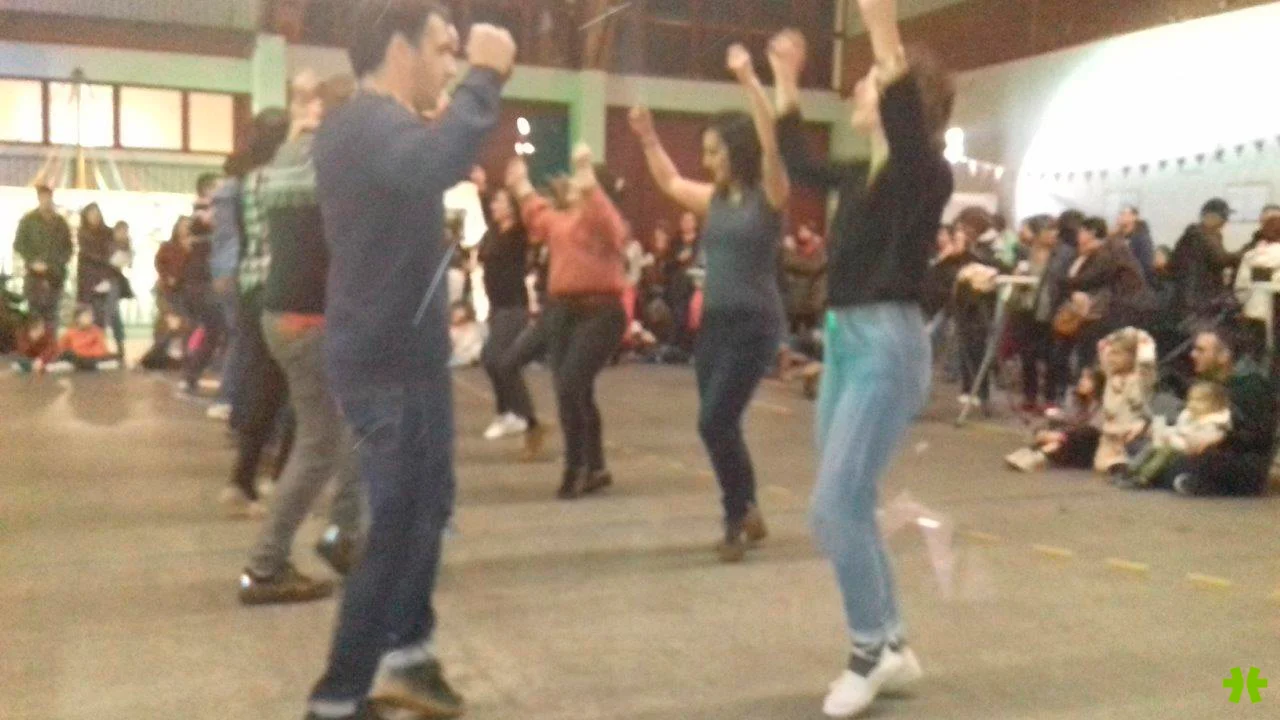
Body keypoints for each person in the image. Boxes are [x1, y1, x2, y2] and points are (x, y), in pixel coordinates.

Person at [308, 3, 514, 717]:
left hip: (406, 356)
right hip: (388, 363)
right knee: (397, 528)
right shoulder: (369, 124)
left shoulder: (375, 126)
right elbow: (437, 161)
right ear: (401, 49)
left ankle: (408, 656)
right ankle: (337, 699)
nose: (451, 62)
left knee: (426, 508)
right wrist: (486, 77)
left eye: (459, 52)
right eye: (443, 48)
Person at [770, 0, 955, 711]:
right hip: (847, 341)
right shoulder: (858, 175)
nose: (856, 88)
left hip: (887, 344)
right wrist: (784, 80)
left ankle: (870, 648)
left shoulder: (925, 173)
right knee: (847, 501)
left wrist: (882, 29)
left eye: (870, 81)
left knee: (833, 506)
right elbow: (796, 162)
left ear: (905, 101)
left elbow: (906, 126)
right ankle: (892, 642)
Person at [629, 40, 789, 561]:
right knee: (721, 423)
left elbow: (771, 142)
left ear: (738, 151)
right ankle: (748, 507)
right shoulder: (715, 200)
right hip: (715, 324)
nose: (707, 160)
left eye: (716, 151)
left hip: (755, 325)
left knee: (713, 421)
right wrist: (648, 137)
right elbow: (671, 180)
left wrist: (749, 81)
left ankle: (735, 516)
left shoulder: (770, 195)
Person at [237, 74, 365, 607]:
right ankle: (266, 567)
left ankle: (344, 535)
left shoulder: (288, 156)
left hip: (284, 314)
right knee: (319, 444)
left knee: (351, 429)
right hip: (312, 319)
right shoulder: (338, 159)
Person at [507, 142, 628, 500]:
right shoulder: (563, 221)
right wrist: (520, 184)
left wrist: (587, 174)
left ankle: (575, 468)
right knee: (575, 391)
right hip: (565, 311)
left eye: (580, 184)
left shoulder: (606, 224)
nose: (572, 185)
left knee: (571, 384)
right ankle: (595, 467)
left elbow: (607, 221)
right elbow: (536, 213)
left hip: (602, 312)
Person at [220, 106, 293, 518]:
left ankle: (243, 478)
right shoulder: (285, 178)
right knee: (301, 389)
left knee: (265, 384)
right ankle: (281, 482)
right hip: (284, 288)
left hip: (251, 288)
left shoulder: (246, 181)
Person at [1152, 329, 1277, 497]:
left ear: (1224, 356)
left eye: (1201, 350)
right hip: (1205, 449)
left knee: (1190, 463)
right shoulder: (1209, 381)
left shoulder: (1251, 386)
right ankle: (1180, 478)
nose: (1193, 355)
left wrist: (1222, 436)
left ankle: (1185, 479)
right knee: (1158, 448)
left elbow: (1260, 436)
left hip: (1241, 460)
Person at [477, 187, 545, 459]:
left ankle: (524, 417)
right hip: (496, 307)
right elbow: (486, 211)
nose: (494, 206)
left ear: (512, 207)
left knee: (497, 359)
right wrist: (482, 190)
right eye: (493, 202)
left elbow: (530, 215)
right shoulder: (493, 233)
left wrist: (521, 188)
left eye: (499, 202)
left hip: (513, 306)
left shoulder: (518, 234)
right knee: (493, 360)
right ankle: (509, 414)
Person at [1053, 217, 1153, 380]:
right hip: (1131, 306)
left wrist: (1062, 282)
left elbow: (1093, 277)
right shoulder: (1114, 247)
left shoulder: (1111, 249)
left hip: (1126, 308)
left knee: (1094, 347)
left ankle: (1088, 383)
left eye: (1082, 232)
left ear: (1092, 233)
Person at [1122, 380, 1230, 487]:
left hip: (1193, 450)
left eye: (1199, 401)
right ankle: (1132, 469)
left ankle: (1144, 477)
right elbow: (1178, 429)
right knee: (1154, 444)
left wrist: (1174, 438)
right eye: (1191, 400)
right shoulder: (1189, 415)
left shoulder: (1215, 422)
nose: (1192, 404)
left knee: (1165, 451)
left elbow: (1200, 440)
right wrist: (1165, 432)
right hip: (1179, 441)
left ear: (1215, 404)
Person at [1008, 215, 1064, 411]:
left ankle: (1050, 398)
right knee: (1027, 355)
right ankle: (1030, 396)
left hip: (1050, 311)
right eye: (1049, 230)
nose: (1054, 234)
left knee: (1051, 357)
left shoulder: (1060, 255)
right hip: (1026, 309)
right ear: (1038, 234)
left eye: (1055, 230)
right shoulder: (1025, 254)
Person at [1004, 367, 1104, 472]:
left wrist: (1061, 435)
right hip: (1070, 438)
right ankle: (1033, 452)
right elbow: (1067, 417)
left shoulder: (1101, 405)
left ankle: (1037, 456)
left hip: (1087, 446)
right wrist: (1051, 420)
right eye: (1082, 378)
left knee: (1075, 436)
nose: (1082, 381)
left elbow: (1092, 430)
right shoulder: (1078, 401)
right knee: (1053, 428)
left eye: (1088, 379)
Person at [1092, 327, 1157, 475]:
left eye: (1117, 353)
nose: (1111, 358)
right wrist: (1118, 336)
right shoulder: (1111, 378)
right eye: (1110, 353)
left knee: (1123, 465)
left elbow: (1147, 360)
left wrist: (1137, 335)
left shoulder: (1141, 379)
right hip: (1110, 439)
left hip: (1132, 438)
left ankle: (1129, 466)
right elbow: (1102, 345)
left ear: (1132, 356)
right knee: (1101, 466)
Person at [14, 185, 73, 335]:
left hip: (55, 276)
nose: (46, 201)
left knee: (52, 316)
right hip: (34, 276)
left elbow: (68, 248)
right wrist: (32, 261)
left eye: (48, 197)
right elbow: (19, 244)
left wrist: (56, 264)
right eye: (43, 197)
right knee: (34, 314)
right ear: (39, 198)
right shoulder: (28, 220)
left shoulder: (60, 222)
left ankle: (50, 345)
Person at [1170, 198, 1236, 319]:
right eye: (1224, 217)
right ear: (1211, 217)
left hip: (1194, 298)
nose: (1225, 222)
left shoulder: (1198, 234)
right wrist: (1248, 252)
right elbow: (1221, 259)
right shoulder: (1201, 235)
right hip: (1197, 300)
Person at [74, 204, 125, 353]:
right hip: (91, 282)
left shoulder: (109, 233)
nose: (94, 217)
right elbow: (86, 261)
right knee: (96, 317)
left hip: (109, 279)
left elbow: (118, 252)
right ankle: (97, 348)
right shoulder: (83, 235)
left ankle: (120, 348)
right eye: (91, 214)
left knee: (114, 315)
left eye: (96, 214)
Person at [55, 304, 120, 371]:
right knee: (68, 355)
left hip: (93, 359)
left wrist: (87, 355)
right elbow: (62, 349)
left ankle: (88, 365)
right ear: (77, 318)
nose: (89, 319)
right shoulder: (70, 333)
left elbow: (101, 350)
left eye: (90, 316)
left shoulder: (97, 331)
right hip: (77, 359)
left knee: (113, 357)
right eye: (86, 316)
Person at [1115, 204, 1156, 288]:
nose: (1120, 216)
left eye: (1124, 214)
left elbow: (1145, 266)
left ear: (1134, 217)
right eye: (1120, 214)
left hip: (1134, 285)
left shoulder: (1142, 239)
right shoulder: (1118, 237)